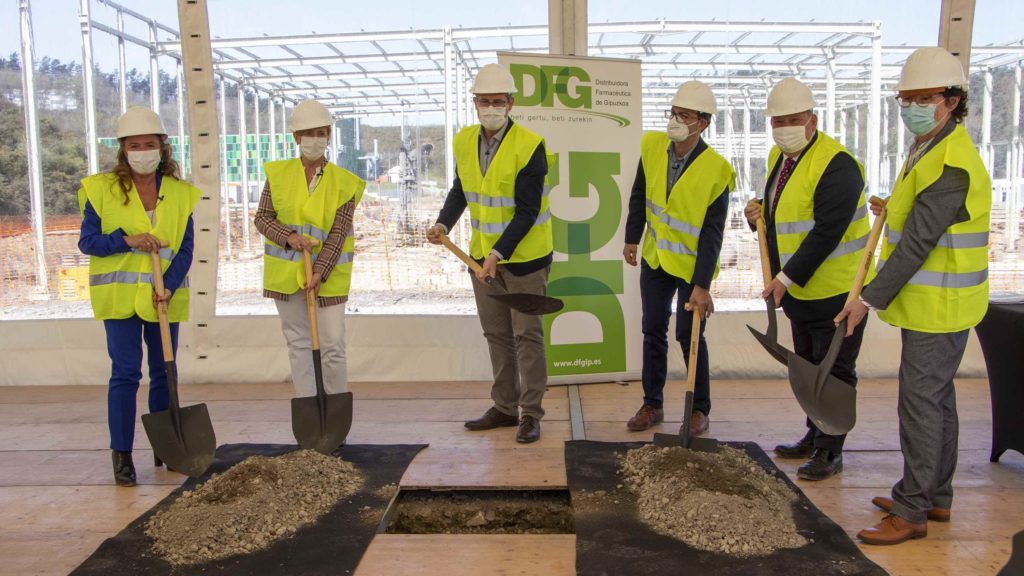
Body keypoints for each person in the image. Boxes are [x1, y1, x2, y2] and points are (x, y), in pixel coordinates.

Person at [836, 47, 991, 545]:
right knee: (938, 403)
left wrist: (867, 299)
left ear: (951, 101)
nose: (911, 107)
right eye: (905, 99)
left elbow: (919, 243)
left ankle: (911, 512)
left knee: (920, 404)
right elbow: (917, 213)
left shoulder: (952, 162)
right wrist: (891, 204)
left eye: (923, 98)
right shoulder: (930, 145)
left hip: (939, 305)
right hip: (938, 303)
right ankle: (934, 496)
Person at [742, 77, 871, 481]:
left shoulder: (838, 165)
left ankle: (831, 451)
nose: (784, 129)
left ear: (812, 120)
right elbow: (786, 217)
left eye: (793, 120)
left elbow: (827, 232)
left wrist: (784, 278)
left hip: (837, 293)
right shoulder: (780, 159)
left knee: (834, 372)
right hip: (801, 294)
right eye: (777, 121)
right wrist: (756, 218)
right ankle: (814, 435)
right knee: (809, 367)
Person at [426, 63, 551, 444]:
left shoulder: (530, 146)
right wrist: (444, 224)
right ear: (475, 103)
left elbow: (527, 212)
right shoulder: (464, 141)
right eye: (485, 101)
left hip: (525, 259)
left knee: (527, 336)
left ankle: (530, 414)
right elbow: (462, 190)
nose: (491, 107)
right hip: (481, 260)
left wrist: (497, 254)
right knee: (497, 335)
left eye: (499, 101)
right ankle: (503, 407)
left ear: (511, 103)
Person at [77, 107, 200, 486]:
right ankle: (122, 455)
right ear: (123, 149)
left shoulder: (181, 194)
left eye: (149, 144)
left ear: (163, 148)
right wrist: (126, 240)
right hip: (119, 300)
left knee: (165, 372)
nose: (142, 150)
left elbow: (184, 248)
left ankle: (164, 447)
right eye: (135, 145)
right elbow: (88, 243)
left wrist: (169, 284)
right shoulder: (100, 189)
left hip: (164, 298)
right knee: (126, 375)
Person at [622, 80, 734, 438]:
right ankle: (652, 403)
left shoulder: (717, 170)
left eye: (683, 115)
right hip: (655, 259)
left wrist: (702, 285)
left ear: (702, 124)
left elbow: (713, 234)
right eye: (673, 113)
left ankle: (699, 409)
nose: (675, 120)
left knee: (689, 335)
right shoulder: (653, 146)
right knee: (652, 330)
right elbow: (640, 194)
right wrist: (631, 238)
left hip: (690, 268)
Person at [254, 100, 365, 408]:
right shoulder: (277, 175)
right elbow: (262, 217)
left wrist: (319, 272)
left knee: (331, 346)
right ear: (295, 138)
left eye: (320, 133)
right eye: (308, 133)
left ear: (329, 135)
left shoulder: (345, 182)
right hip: (287, 278)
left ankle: (333, 411)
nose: (314, 139)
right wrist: (289, 238)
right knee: (299, 345)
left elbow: (339, 232)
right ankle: (308, 408)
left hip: (327, 278)